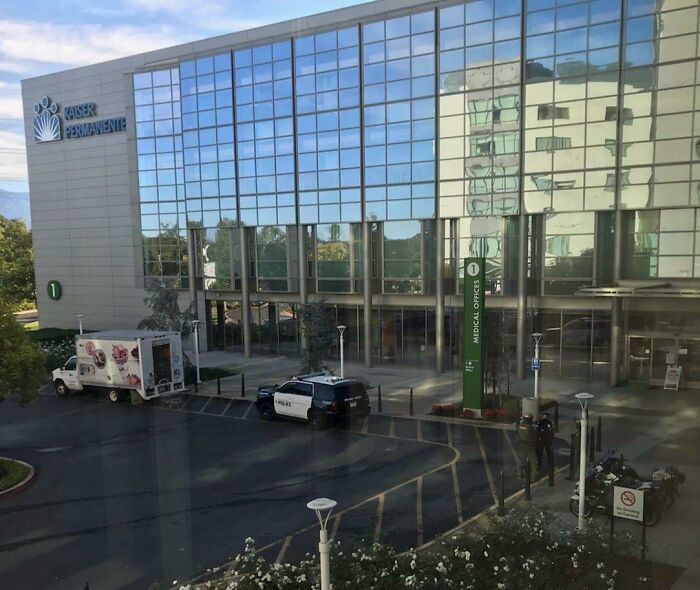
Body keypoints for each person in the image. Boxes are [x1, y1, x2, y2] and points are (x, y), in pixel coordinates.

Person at [516, 413, 537, 480]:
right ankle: (533, 477)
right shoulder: (531, 428)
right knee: (533, 461)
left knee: (521, 459)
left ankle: (519, 475)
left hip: (521, 444)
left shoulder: (519, 426)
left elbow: (516, 434)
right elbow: (534, 437)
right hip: (529, 445)